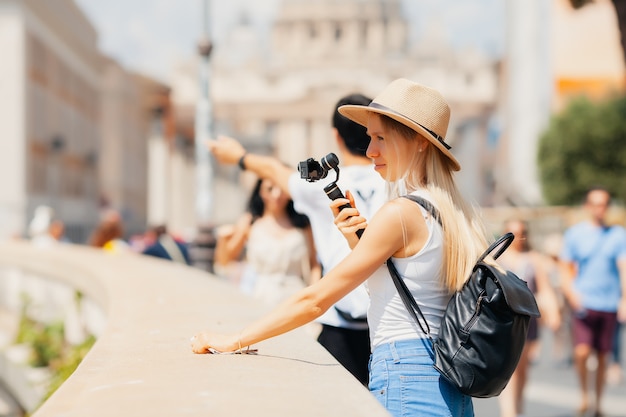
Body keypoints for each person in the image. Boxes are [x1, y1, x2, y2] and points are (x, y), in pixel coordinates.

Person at [192, 78, 491, 417]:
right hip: (447, 380)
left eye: (381, 138)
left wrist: (236, 339)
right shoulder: (452, 211)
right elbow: (413, 289)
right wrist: (357, 242)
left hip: (407, 375)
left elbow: (315, 300)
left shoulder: (401, 213)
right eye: (369, 138)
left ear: (419, 142)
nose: (370, 152)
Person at [205, 93, 387, 386]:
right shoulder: (397, 182)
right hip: (386, 323)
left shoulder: (322, 187)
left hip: (338, 320)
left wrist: (239, 157)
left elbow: (274, 171)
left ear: (335, 136)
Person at [560, 186, 626, 417]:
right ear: (588, 206)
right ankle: (584, 395)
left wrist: (624, 300)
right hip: (584, 302)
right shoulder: (575, 234)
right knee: (582, 351)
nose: (600, 209)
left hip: (608, 303)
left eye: (604, 204)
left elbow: (624, 268)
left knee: (602, 355)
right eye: (596, 204)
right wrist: (572, 294)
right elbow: (565, 269)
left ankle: (598, 402)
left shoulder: (618, 235)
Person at [497, 219, 561, 417]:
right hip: (504, 321)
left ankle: (518, 406)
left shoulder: (533, 259)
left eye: (522, 232)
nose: (518, 238)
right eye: (513, 233)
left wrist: (553, 313)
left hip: (526, 322)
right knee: (510, 368)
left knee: (522, 368)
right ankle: (509, 413)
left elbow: (544, 289)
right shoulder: (497, 258)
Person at [221, 177, 319, 305]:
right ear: (260, 191)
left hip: (296, 297)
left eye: (282, 189)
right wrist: (223, 239)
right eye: (270, 188)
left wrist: (314, 295)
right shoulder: (250, 222)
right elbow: (226, 259)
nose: (276, 195)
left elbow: (314, 264)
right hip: (259, 296)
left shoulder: (303, 224)